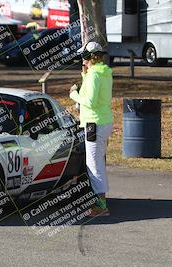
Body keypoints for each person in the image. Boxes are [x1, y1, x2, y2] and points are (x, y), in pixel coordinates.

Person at [69, 42, 113, 217]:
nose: (82, 60)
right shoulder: (103, 73)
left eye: (84, 57)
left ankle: (101, 205)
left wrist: (73, 94)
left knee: (94, 165)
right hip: (103, 121)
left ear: (88, 57)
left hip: (94, 124)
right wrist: (84, 75)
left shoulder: (94, 76)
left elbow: (90, 101)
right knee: (98, 163)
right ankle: (101, 202)